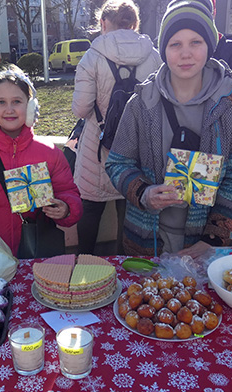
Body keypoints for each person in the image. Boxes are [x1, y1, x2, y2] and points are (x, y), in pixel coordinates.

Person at [105, 0, 232, 258]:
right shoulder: (141, 103)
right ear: (164, 50)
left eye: (195, 42)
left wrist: (211, 240)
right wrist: (144, 192)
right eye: (175, 44)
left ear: (209, 45)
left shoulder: (231, 104)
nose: (186, 53)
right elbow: (118, 162)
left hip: (204, 248)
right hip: (146, 242)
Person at [0, 66, 82, 257]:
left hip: (37, 252)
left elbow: (68, 192)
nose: (9, 109)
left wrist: (66, 208)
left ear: (31, 106)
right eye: (1, 102)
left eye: (17, 101)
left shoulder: (50, 153)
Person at [71, 0, 161, 255]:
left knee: (89, 211)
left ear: (103, 23)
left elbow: (80, 109)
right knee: (131, 210)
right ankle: (126, 274)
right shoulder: (153, 56)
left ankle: (85, 268)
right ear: (135, 24)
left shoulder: (93, 56)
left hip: (96, 148)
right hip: (137, 150)